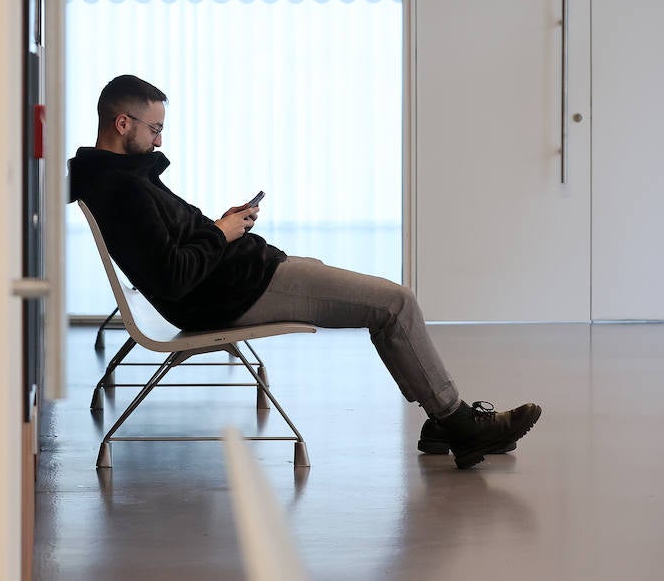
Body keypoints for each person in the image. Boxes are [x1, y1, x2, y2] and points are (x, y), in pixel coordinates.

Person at [68, 74, 541, 470]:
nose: (160, 140)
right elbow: (173, 276)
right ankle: (457, 422)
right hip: (237, 292)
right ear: (122, 122)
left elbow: (169, 247)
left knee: (357, 288)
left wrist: (219, 226)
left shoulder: (120, 176)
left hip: (242, 277)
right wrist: (223, 234)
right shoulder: (123, 188)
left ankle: (442, 423)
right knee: (396, 302)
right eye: (154, 128)